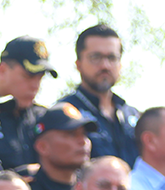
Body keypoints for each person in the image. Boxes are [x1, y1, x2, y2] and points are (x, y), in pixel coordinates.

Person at [58, 25, 138, 165]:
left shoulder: (132, 114)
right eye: (96, 57)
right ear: (78, 64)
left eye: (112, 58)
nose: (105, 65)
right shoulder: (64, 113)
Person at [25, 101, 96, 190]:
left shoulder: (91, 189)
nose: (83, 141)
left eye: (84, 134)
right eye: (71, 134)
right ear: (42, 147)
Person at [0, 36, 56, 169]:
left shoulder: (42, 117)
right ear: (2, 70)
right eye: (28, 76)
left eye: (40, 78)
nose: (35, 86)